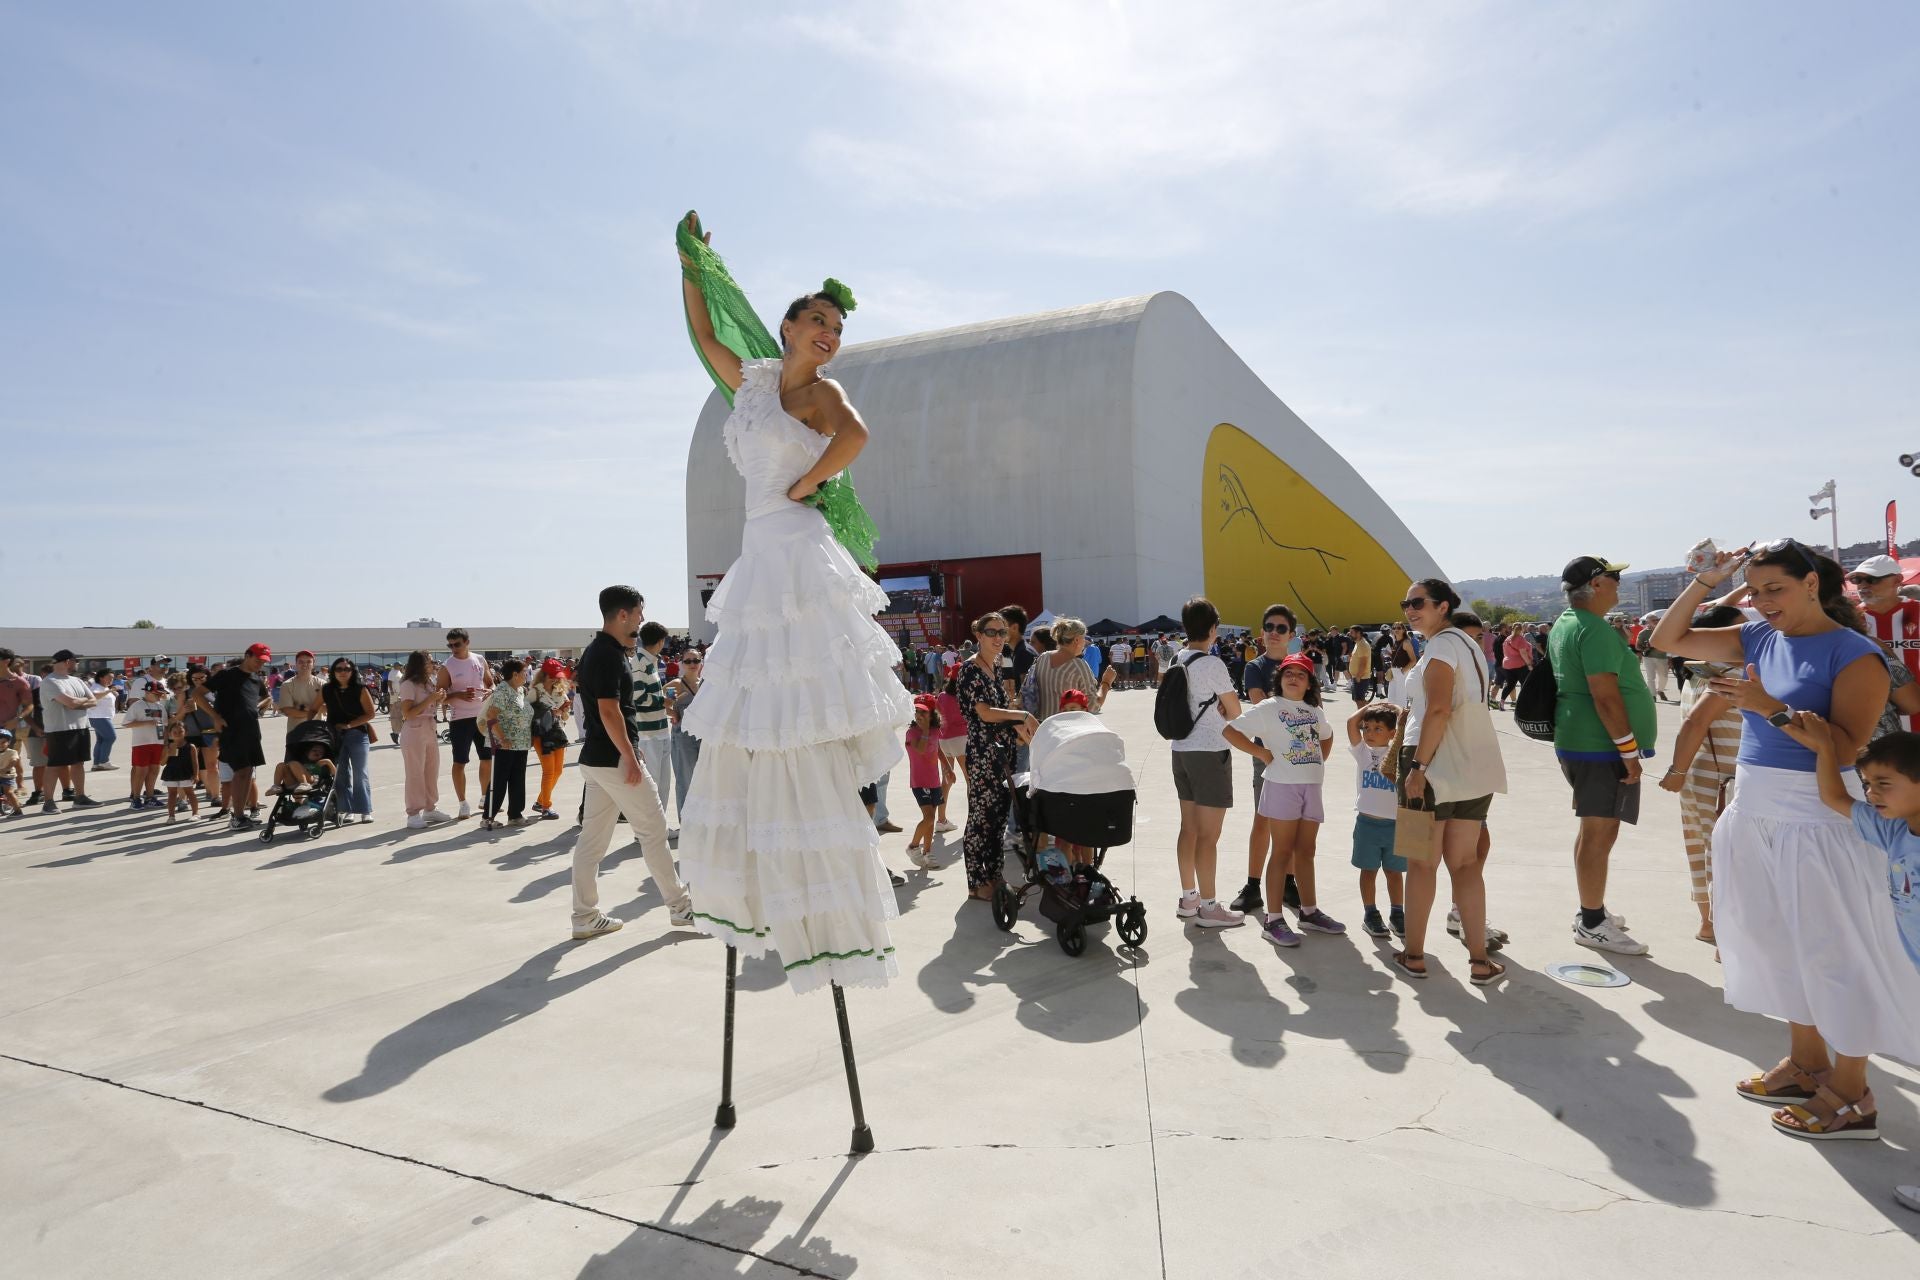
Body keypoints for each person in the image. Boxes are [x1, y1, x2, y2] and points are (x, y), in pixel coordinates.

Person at [1651, 538, 1896, 1139]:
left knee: (1836, 951)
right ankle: (1807, 1062)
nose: (1763, 602)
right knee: (1776, 941)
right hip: (1754, 808)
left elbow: (1846, 748)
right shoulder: (1758, 636)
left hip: (1820, 817)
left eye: (1775, 589)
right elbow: (1667, 639)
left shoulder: (1856, 654)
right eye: (1756, 591)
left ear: (1811, 584)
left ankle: (1853, 1091)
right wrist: (1707, 582)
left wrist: (1770, 707)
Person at [1391, 579, 1508, 984]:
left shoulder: (1440, 646)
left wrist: (1417, 768)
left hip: (1431, 761)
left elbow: (1439, 709)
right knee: (1466, 863)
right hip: (1474, 766)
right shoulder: (1469, 645)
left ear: (1443, 606)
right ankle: (1479, 961)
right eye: (1406, 603)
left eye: (1418, 602)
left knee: (1422, 864)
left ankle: (1414, 955)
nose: (1410, 609)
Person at [568, 586, 691, 940]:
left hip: (597, 760)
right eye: (638, 612)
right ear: (623, 615)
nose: (641, 619)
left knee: (591, 842)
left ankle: (584, 915)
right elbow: (609, 711)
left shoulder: (599, 651)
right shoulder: (608, 654)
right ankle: (681, 907)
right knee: (654, 831)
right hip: (614, 761)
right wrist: (630, 756)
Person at [1549, 557, 1656, 955]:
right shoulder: (1593, 629)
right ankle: (1592, 922)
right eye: (1613, 578)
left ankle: (1591, 909)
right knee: (1600, 832)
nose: (1618, 585)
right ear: (1595, 585)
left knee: (1593, 830)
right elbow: (1605, 696)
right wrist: (1628, 750)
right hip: (1599, 745)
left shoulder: (1567, 622)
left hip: (1580, 739)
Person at [1224, 652, 1338, 948]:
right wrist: (1261, 753)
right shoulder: (1269, 707)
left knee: (1307, 851)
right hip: (1282, 787)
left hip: (1311, 787)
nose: (1294, 678)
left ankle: (1309, 912)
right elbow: (1231, 731)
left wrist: (1319, 760)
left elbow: (1327, 735)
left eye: (1301, 674)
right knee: (1282, 852)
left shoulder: (1315, 710)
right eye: (1288, 673)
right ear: (1279, 678)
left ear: (1310, 682)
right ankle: (1273, 920)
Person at [1656, 604, 1746, 943]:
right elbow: (1696, 722)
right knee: (1726, 856)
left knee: (1700, 849)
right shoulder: (1733, 674)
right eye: (1739, 629)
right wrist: (1675, 770)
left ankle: (1708, 923)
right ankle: (1723, 930)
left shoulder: (1699, 672)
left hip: (1699, 774)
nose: (1747, 634)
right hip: (1723, 779)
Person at [1169, 596, 1245, 927]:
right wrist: (1223, 708)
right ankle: (1210, 907)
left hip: (1181, 749)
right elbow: (1235, 710)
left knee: (1188, 828)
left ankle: (1189, 898)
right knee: (1208, 836)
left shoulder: (1177, 658)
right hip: (1210, 752)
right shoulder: (1212, 664)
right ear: (1213, 629)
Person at [956, 612, 1036, 899]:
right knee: (981, 820)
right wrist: (1022, 715)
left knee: (999, 818)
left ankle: (995, 877)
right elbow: (985, 713)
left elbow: (1001, 711)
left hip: (1003, 753)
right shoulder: (970, 669)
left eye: (1002, 632)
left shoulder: (997, 666)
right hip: (983, 754)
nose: (998, 638)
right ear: (979, 635)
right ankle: (977, 884)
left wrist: (1021, 730)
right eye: (992, 632)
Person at [1230, 604, 1296, 917]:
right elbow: (1263, 706)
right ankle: (1253, 886)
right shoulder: (1254, 667)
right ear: (1261, 632)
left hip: (1299, 754)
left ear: (1291, 635)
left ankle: (1289, 884)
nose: (1274, 633)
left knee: (1293, 821)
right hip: (1267, 754)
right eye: (1269, 627)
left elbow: (1315, 709)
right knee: (1263, 820)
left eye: (1281, 628)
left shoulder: (1301, 665)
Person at [1346, 703, 1405, 938]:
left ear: (1392, 733)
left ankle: (1397, 913)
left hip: (1395, 826)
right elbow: (1351, 723)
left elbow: (1407, 727)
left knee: (1394, 872)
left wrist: (1397, 711)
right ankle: (1370, 913)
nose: (1369, 733)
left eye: (1378, 728)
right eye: (1367, 728)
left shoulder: (1399, 753)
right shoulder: (1363, 752)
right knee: (1368, 871)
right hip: (1367, 824)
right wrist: (1371, 706)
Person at [206, 644, 272, 830]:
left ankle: (240, 815)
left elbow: (266, 697)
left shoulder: (256, 679)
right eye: (257, 660)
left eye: (263, 662)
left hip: (251, 730)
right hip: (232, 731)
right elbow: (197, 694)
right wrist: (215, 717)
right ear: (247, 656)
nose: (260, 664)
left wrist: (256, 707)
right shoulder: (227, 675)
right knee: (240, 771)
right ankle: (237, 817)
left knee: (248, 772)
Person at [1853, 554, 1919, 733]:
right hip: (1877, 727)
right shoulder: (1849, 620)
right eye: (1857, 580)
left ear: (1897, 580)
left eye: (1872, 579)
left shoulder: (1918, 611)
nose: (1863, 585)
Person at [437, 628, 494, 820]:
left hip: (482, 717)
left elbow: (491, 683)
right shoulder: (447, 666)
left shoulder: (479, 660)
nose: (453, 648)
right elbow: (439, 697)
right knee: (459, 762)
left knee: (487, 759)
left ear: (467, 642)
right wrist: (458, 695)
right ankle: (463, 803)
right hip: (460, 720)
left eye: (457, 644)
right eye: (450, 645)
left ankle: (485, 798)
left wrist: (490, 691)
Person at [393, 650, 451, 829]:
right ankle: (413, 813)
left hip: (429, 728)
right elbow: (408, 713)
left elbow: (429, 705)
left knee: (431, 771)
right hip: (414, 730)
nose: (433, 664)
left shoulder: (428, 682)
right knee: (415, 773)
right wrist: (431, 699)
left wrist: (439, 699)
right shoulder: (408, 684)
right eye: (429, 661)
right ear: (420, 664)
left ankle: (430, 808)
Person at [39, 650, 101, 813]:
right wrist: (79, 702)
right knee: (55, 765)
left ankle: (80, 797)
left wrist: (77, 703)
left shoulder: (77, 680)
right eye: (76, 661)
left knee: (78, 763)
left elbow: (93, 701)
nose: (78, 664)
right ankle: (48, 802)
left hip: (81, 727)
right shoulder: (50, 681)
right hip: (59, 729)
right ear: (67, 662)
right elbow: (70, 703)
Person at [479, 658, 534, 829]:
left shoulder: (520, 690)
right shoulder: (502, 691)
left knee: (518, 780)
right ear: (515, 674)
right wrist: (502, 738)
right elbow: (491, 715)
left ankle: (515, 815)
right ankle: (488, 817)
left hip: (520, 743)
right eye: (524, 672)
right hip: (504, 744)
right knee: (499, 781)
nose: (526, 675)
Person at [631, 621, 675, 836]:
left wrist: (663, 704)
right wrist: (662, 701)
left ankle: (659, 828)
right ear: (659, 641)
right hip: (648, 735)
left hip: (659, 730)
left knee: (663, 785)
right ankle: (646, 831)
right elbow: (638, 697)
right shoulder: (639, 662)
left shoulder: (649, 661)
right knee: (653, 785)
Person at [323, 658, 378, 824]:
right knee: (340, 773)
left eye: (347, 669)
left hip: (357, 734)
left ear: (352, 672)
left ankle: (365, 810)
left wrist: (349, 725)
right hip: (335, 736)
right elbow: (314, 707)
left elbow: (370, 713)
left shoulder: (360, 689)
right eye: (339, 669)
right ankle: (346, 809)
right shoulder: (327, 689)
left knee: (360, 773)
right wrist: (312, 726)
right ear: (333, 671)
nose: (343, 672)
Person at [1035, 618, 1115, 722]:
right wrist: (1106, 682)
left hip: (1041, 725)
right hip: (1065, 725)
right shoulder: (1078, 666)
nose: (1084, 642)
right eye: (1084, 638)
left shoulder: (1043, 657)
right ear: (1077, 640)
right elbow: (1093, 705)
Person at [902, 695, 944, 870]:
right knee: (929, 817)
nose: (919, 715)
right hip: (919, 782)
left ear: (932, 714)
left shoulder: (935, 731)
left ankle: (927, 852)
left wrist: (948, 768)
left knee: (931, 820)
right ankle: (913, 847)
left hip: (934, 780)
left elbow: (937, 749)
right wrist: (925, 730)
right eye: (917, 711)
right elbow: (920, 749)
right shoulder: (912, 733)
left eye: (924, 713)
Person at [530, 659, 573, 820]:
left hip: (558, 732)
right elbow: (527, 713)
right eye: (553, 676)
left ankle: (540, 801)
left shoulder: (560, 690)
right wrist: (548, 712)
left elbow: (565, 717)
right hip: (541, 734)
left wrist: (564, 710)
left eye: (558, 676)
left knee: (558, 770)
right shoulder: (535, 691)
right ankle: (546, 806)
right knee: (548, 771)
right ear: (545, 675)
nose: (556, 679)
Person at [665, 650, 703, 825]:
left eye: (696, 660)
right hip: (684, 739)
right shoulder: (678, 685)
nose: (692, 664)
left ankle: (701, 822)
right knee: (685, 780)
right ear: (682, 663)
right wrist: (673, 713)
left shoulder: (705, 684)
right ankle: (686, 824)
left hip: (704, 738)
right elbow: (663, 702)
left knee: (704, 780)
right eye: (688, 661)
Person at [121, 682, 169, 809]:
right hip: (141, 743)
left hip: (157, 743)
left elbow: (165, 726)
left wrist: (165, 743)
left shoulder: (160, 707)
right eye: (157, 694)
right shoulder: (137, 705)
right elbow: (126, 723)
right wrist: (146, 723)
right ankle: (135, 798)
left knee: (154, 770)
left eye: (161, 694)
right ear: (147, 692)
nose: (160, 696)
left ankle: (150, 797)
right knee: (141, 771)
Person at [934, 663, 967, 834]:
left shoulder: (942, 696)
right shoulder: (966, 695)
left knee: (945, 781)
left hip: (944, 740)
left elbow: (937, 715)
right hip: (961, 738)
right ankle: (973, 821)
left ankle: (941, 820)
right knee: (971, 781)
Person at [159, 722, 200, 822]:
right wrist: (168, 753)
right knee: (172, 794)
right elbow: (162, 763)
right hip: (171, 773)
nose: (177, 734)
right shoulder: (168, 746)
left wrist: (196, 775)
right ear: (170, 734)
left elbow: (195, 762)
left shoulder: (191, 747)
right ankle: (171, 816)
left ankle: (196, 813)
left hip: (186, 773)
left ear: (186, 732)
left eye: (181, 731)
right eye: (175, 732)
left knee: (190, 792)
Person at [87, 670, 119, 771]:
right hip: (99, 717)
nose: (111, 680)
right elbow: (95, 696)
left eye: (112, 678)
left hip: (102, 716)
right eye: (109, 677)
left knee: (101, 740)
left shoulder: (104, 687)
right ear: (101, 678)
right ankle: (104, 761)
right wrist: (110, 691)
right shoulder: (96, 686)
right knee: (111, 737)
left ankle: (96, 764)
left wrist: (112, 692)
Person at [1497, 623, 1533, 710]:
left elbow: (1505, 652)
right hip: (1520, 664)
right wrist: (1529, 664)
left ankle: (1502, 702)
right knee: (1525, 684)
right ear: (1522, 629)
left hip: (1508, 664)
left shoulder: (1507, 639)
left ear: (1512, 629)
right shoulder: (1520, 639)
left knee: (1510, 685)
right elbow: (1523, 653)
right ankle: (1524, 704)